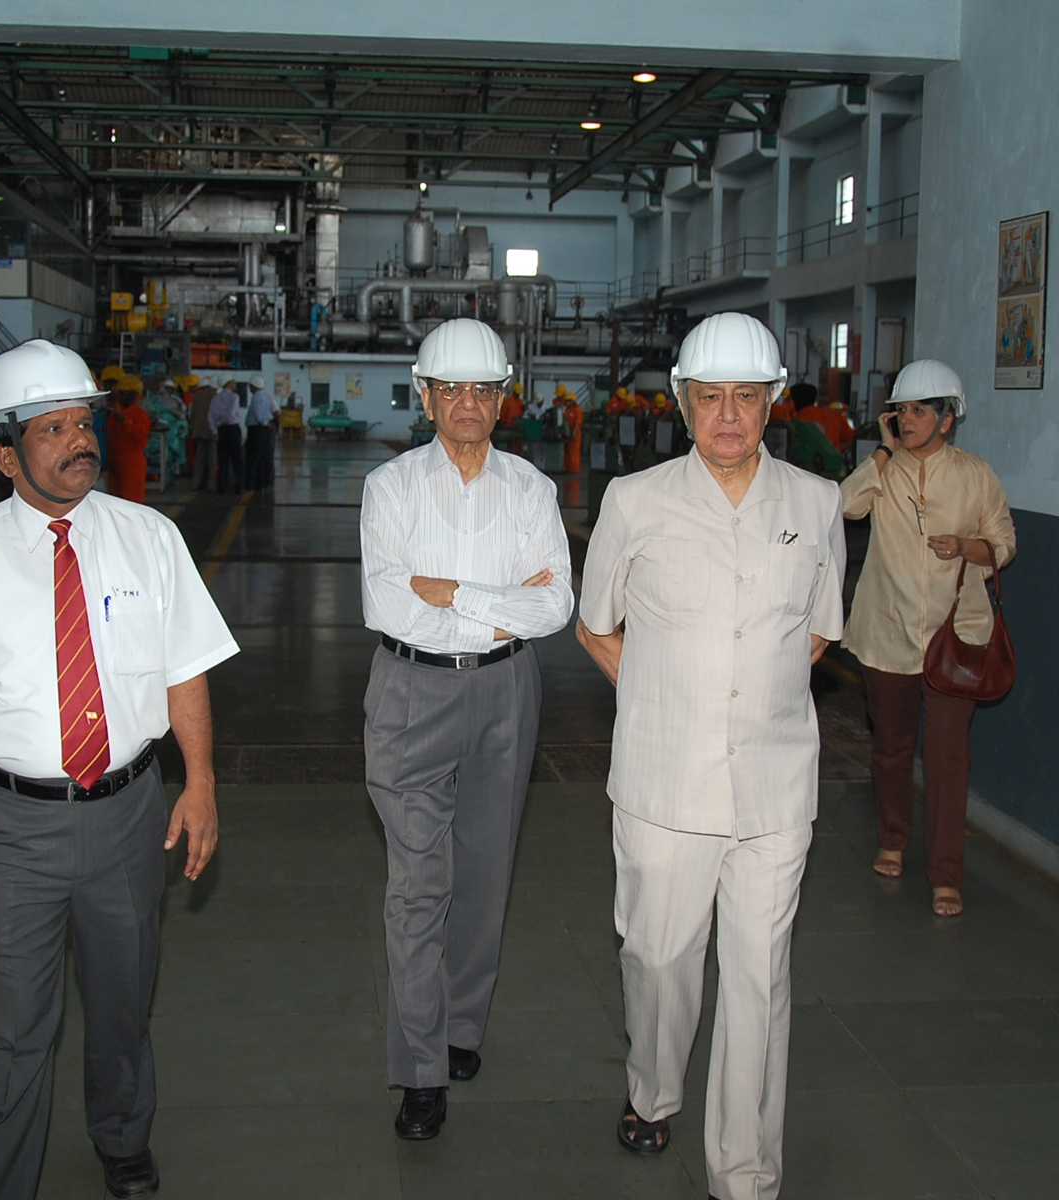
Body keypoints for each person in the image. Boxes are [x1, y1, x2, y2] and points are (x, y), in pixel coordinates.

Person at [0, 339, 238, 1200]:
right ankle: (3, 1184)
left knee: (123, 1002)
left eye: (83, 423)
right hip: (11, 827)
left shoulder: (148, 539)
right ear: (6, 454)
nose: (79, 441)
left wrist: (199, 783)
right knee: (14, 1026)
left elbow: (184, 671)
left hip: (128, 814)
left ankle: (122, 1138)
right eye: (52, 429)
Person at [576, 312, 845, 1200]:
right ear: (682, 403)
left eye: (746, 397)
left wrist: (748, 693)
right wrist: (665, 696)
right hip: (663, 782)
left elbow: (817, 634)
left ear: (772, 402)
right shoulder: (635, 501)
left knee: (760, 980)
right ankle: (653, 1089)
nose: (728, 415)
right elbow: (596, 625)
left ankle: (745, 1173)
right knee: (658, 959)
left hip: (774, 786)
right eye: (710, 397)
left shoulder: (815, 504)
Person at [359, 319, 574, 1141]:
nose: (468, 403)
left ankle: (460, 1028)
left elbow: (554, 606)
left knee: (485, 872)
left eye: (483, 389)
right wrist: (502, 603)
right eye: (451, 389)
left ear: (503, 398)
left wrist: (455, 593)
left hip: (507, 691)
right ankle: (420, 1071)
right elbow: (389, 604)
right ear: (425, 398)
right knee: (419, 885)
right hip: (410, 692)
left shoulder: (530, 490)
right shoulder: (390, 488)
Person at [840, 359, 1015, 918]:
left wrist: (964, 547)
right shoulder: (884, 471)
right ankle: (893, 840)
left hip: (954, 638)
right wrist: (883, 452)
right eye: (901, 410)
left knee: (947, 758)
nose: (908, 419)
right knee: (891, 747)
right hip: (886, 631)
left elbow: (1003, 545)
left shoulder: (975, 475)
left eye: (920, 410)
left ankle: (946, 874)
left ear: (947, 419)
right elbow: (843, 505)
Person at [108, 387, 152, 503]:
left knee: (132, 501)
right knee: (115, 501)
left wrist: (125, 422)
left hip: (132, 462)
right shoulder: (116, 414)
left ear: (132, 396)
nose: (119, 397)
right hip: (115, 460)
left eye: (122, 394)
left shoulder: (140, 415)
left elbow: (141, 438)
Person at [209, 378, 244, 494]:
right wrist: (222, 421)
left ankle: (222, 487)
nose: (235, 384)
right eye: (233, 382)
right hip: (233, 429)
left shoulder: (215, 398)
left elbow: (210, 416)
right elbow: (231, 414)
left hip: (221, 431)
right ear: (228, 383)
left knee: (223, 460)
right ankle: (239, 486)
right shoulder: (234, 397)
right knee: (237, 459)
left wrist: (215, 431)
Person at [243, 373, 275, 492]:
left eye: (250, 386)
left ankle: (250, 484)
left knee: (252, 458)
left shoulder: (256, 397)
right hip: (263, 430)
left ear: (254, 386)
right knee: (262, 458)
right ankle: (260, 484)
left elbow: (258, 415)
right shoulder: (265, 396)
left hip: (256, 430)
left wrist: (264, 422)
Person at [187, 381, 216, 490]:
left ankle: (196, 483)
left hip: (198, 431)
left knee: (199, 458)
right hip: (211, 431)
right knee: (212, 459)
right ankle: (211, 484)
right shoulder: (214, 395)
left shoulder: (196, 396)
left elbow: (191, 414)